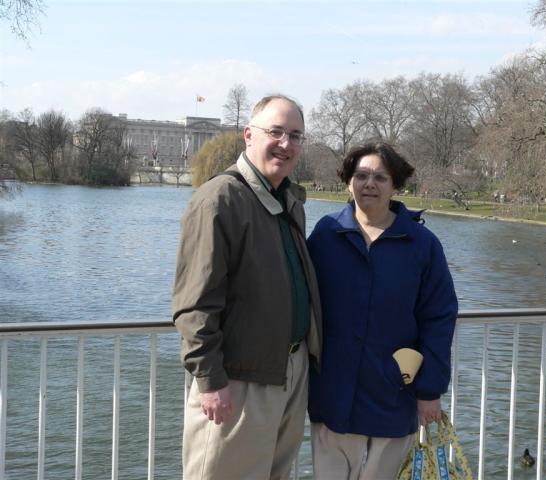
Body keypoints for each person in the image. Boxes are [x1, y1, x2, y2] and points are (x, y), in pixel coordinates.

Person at [172, 94, 322, 480]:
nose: (286, 144)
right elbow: (194, 304)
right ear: (248, 136)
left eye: (295, 135)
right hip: (238, 382)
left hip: (288, 371)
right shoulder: (219, 200)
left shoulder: (289, 199)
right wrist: (210, 380)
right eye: (275, 132)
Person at [307, 142, 458, 479]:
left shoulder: (422, 245)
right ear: (349, 182)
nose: (369, 184)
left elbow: (438, 318)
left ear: (396, 185)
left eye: (380, 177)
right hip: (333, 394)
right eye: (361, 175)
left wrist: (430, 390)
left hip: (392, 393)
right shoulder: (326, 235)